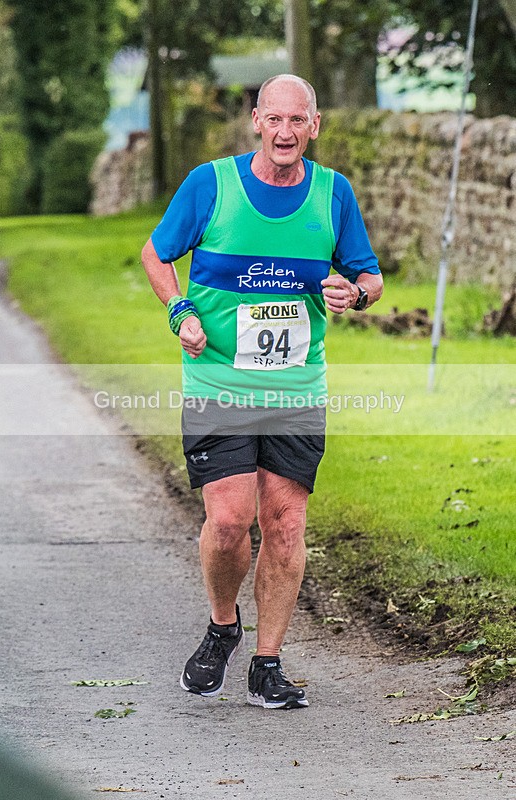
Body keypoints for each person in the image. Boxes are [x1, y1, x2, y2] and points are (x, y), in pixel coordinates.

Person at [141, 74, 383, 709]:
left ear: (315, 125)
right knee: (228, 523)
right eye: (274, 118)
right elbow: (156, 254)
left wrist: (354, 294)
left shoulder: (333, 194)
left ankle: (267, 663)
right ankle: (223, 626)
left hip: (296, 389)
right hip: (219, 383)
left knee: (285, 524)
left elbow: (370, 276)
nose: (284, 131)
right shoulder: (211, 185)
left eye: (297, 120)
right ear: (256, 121)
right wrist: (180, 311)